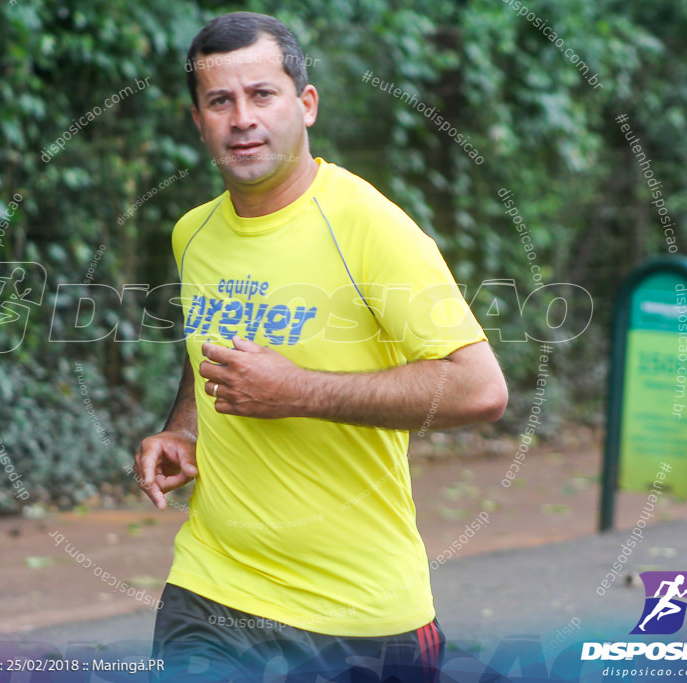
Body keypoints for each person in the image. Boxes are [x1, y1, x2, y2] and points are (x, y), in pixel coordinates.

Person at [134, 11, 508, 682]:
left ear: (305, 105)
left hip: (360, 614)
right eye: (220, 100)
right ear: (198, 120)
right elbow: (213, 343)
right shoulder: (193, 233)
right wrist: (182, 429)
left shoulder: (370, 227)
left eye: (262, 94)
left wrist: (297, 389)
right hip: (213, 588)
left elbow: (481, 389)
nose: (242, 117)